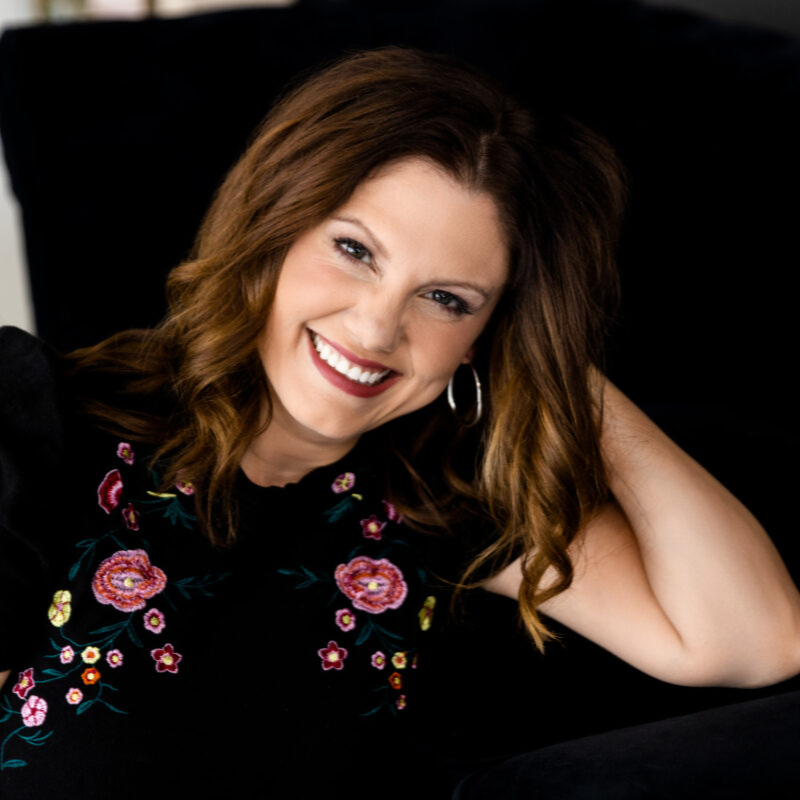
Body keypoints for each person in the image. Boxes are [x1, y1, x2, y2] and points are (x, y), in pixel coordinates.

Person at [1, 46, 798, 798]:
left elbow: (755, 640)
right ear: (274, 226)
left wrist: (559, 375)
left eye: (448, 299)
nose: (379, 329)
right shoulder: (38, 415)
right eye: (355, 250)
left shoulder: (434, 496)